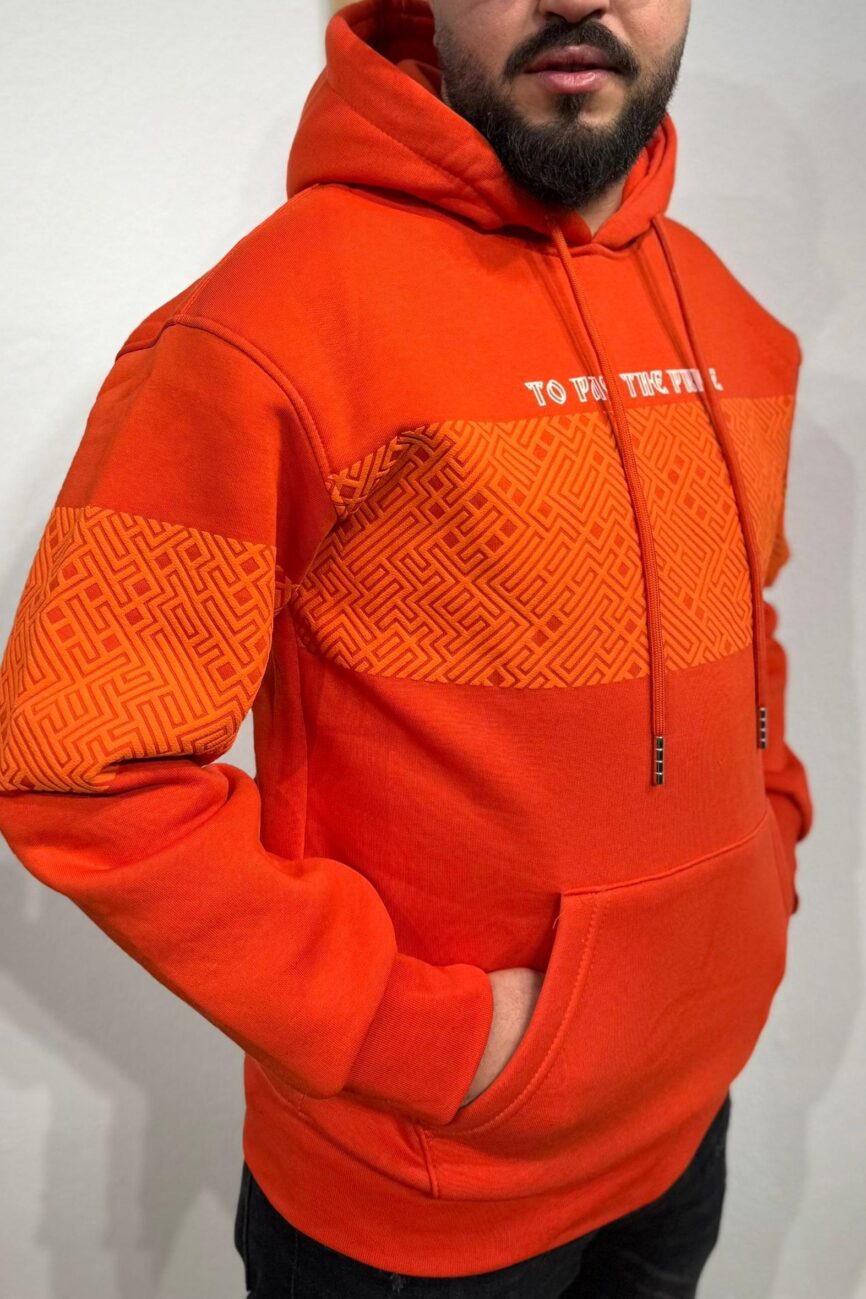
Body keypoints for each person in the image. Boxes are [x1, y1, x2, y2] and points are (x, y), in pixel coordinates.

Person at [0, 0, 814, 1293]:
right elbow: (78, 772)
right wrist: (433, 1042)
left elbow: (742, 617)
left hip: (682, 1127)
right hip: (424, 1200)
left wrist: (766, 851)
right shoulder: (271, 323)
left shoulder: (726, 313)